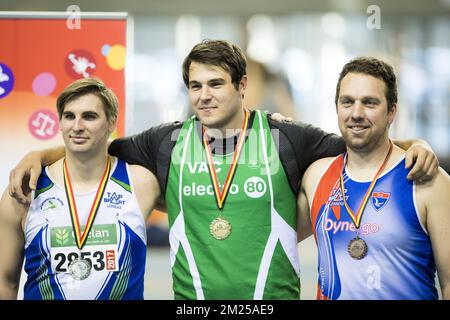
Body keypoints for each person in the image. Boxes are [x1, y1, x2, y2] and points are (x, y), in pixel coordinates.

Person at [8, 40, 439, 299]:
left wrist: (415, 144)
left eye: (216, 84)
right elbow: (92, 144)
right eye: (195, 86)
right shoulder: (166, 141)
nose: (204, 96)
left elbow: (360, 142)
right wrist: (39, 156)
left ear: (242, 86)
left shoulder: (287, 138)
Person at [297, 57, 450, 300]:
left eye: (369, 103)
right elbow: (274, 238)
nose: (356, 113)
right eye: (347, 102)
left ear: (392, 112)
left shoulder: (427, 181)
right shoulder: (317, 176)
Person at [0, 78, 160, 299]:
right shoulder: (25, 190)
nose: (77, 126)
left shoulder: (142, 183)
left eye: (89, 116)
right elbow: (5, 282)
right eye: (69, 116)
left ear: (112, 122)